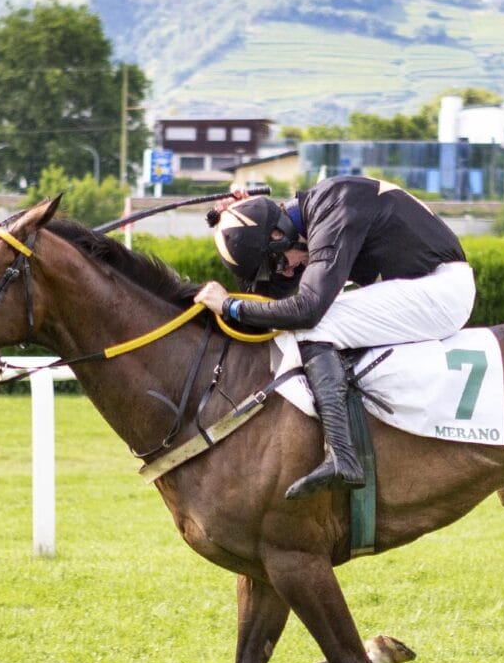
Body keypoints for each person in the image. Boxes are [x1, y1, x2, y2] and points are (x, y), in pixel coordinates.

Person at [194, 175, 475, 499]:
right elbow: (272, 302)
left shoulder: (335, 203)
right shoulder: (314, 217)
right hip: (422, 287)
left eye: (278, 262)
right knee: (308, 325)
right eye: (276, 267)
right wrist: (237, 220)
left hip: (441, 291)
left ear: (279, 232)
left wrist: (230, 306)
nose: (286, 271)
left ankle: (342, 455)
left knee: (317, 325)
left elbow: (307, 310)